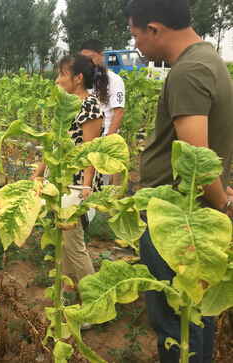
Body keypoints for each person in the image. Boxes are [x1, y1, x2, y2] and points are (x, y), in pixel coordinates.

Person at [124, 0, 233, 361]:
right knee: (198, 312)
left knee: (176, 324)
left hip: (177, 221)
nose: (135, 44)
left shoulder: (189, 70)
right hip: (191, 216)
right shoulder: (209, 60)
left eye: (136, 35)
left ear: (155, 29)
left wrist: (223, 203)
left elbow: (195, 162)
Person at [30, 54, 110, 327]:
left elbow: (90, 152)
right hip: (61, 182)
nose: (57, 79)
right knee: (62, 239)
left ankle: (93, 306)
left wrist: (87, 186)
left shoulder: (91, 107)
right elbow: (54, 146)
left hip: (77, 185)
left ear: (77, 78)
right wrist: (38, 174)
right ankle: (66, 290)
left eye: (62, 74)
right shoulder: (66, 104)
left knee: (75, 245)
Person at [80, 38, 125, 187]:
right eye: (84, 59)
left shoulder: (114, 80)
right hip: (87, 140)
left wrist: (107, 142)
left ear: (101, 55)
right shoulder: (85, 80)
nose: (88, 63)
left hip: (104, 138)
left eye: (91, 58)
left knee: (101, 183)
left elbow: (118, 113)